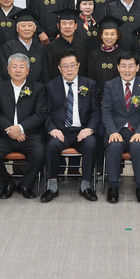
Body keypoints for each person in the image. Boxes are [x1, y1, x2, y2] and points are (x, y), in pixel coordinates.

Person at [41, 50, 100, 203]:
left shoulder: (90, 84)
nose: (69, 69)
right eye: (65, 66)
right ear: (59, 68)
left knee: (91, 144)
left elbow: (95, 112)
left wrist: (89, 129)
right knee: (51, 146)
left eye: (72, 65)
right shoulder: (50, 86)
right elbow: (45, 113)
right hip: (60, 131)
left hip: (82, 130)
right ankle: (52, 186)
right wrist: (52, 129)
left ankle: (86, 185)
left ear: (78, 66)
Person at [0, 53, 47, 200]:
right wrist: (10, 129)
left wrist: (20, 128)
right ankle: (7, 183)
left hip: (29, 135)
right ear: (8, 69)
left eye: (22, 67)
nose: (18, 70)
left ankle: (26, 184)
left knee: (39, 153)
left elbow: (40, 114)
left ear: (28, 70)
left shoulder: (38, 88)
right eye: (14, 67)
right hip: (4, 135)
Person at [101, 52, 140, 204]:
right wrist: (112, 131)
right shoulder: (110, 85)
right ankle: (113, 186)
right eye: (123, 66)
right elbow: (106, 111)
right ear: (118, 67)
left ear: (137, 67)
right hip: (117, 130)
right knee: (114, 146)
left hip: (137, 131)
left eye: (131, 66)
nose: (127, 70)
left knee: (137, 146)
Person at [0, 10, 47, 83]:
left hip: (38, 88)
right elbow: (4, 73)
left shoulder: (41, 48)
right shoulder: (7, 48)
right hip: (15, 87)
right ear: (17, 29)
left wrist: (38, 87)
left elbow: (45, 73)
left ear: (34, 28)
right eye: (23, 26)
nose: (27, 29)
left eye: (30, 25)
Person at [44, 8, 89, 82]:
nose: (67, 26)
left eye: (70, 23)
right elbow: (47, 73)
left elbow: (86, 72)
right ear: (58, 26)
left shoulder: (83, 46)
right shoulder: (51, 47)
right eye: (64, 23)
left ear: (75, 26)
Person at [87, 15, 124, 94]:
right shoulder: (94, 54)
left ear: (117, 36)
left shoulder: (123, 55)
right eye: (106, 34)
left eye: (112, 34)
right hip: (96, 96)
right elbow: (91, 77)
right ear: (101, 35)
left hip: (117, 96)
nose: (109, 37)